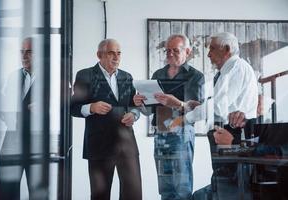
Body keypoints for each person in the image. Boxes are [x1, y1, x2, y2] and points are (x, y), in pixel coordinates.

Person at [134, 34, 204, 200]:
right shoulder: (158, 73)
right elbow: (149, 110)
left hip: (182, 134)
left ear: (187, 51)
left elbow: (199, 112)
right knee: (165, 188)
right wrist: (140, 102)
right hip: (160, 133)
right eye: (167, 50)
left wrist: (177, 103)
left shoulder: (196, 76)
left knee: (182, 187)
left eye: (175, 50)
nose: (170, 53)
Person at [71, 39, 142, 200]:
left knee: (133, 194)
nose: (116, 57)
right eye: (111, 53)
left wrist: (134, 115)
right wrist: (91, 107)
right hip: (99, 145)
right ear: (99, 55)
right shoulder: (85, 75)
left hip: (127, 144)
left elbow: (133, 104)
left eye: (119, 53)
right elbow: (73, 107)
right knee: (100, 195)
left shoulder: (127, 76)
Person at [193, 32, 259, 200]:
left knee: (229, 187)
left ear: (227, 49)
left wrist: (185, 115)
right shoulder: (227, 71)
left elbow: (219, 107)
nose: (208, 54)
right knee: (223, 184)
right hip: (226, 132)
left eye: (212, 49)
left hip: (232, 134)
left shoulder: (236, 67)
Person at [0, 37, 41, 200]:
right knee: (6, 190)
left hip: (38, 140)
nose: (24, 56)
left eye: (29, 52)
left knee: (39, 191)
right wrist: (4, 113)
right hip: (13, 138)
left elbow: (63, 106)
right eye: (22, 52)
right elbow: (4, 106)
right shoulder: (13, 76)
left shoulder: (51, 77)